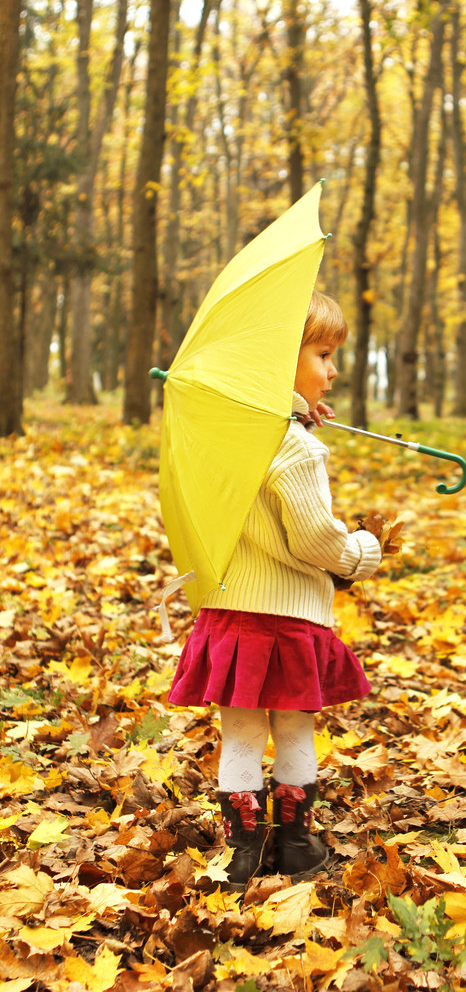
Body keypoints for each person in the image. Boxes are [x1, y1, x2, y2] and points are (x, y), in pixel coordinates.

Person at [167, 291, 382, 888]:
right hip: (287, 618)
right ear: (280, 358)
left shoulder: (228, 435)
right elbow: (315, 539)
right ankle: (297, 845)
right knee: (292, 731)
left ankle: (242, 854)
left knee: (238, 734)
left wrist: (298, 416)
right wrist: (362, 551)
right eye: (322, 353)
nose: (332, 370)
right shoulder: (296, 449)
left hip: (232, 612)